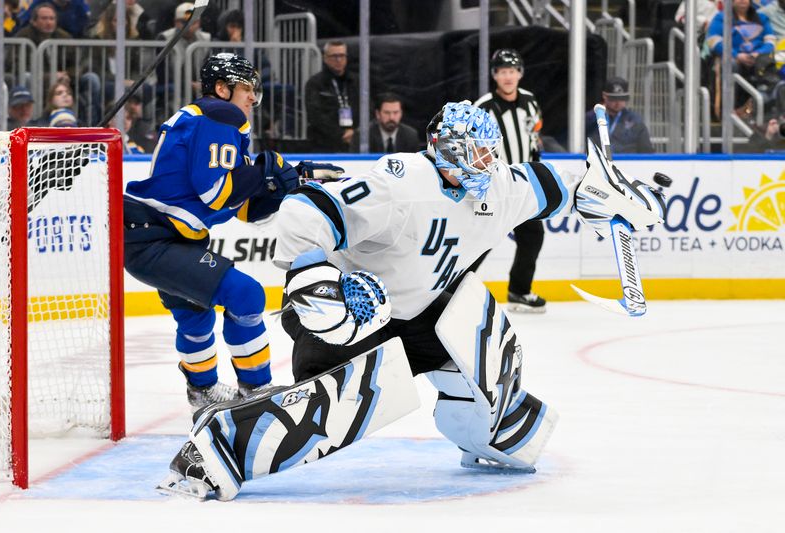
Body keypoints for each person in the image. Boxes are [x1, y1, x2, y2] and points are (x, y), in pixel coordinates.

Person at [159, 101, 667, 501]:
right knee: (355, 401)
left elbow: (551, 184)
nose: (488, 165)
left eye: (492, 153)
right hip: (351, 317)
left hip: (421, 314)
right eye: (477, 154)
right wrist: (315, 281)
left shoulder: (497, 189)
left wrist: (606, 192)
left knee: (476, 314)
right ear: (444, 149)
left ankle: (493, 428)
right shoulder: (399, 182)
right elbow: (302, 213)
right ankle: (215, 452)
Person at [123, 53, 301, 410]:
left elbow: (243, 207)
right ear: (222, 89)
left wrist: (287, 182)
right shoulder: (221, 116)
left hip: (155, 236)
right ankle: (255, 389)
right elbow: (216, 191)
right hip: (154, 238)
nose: (252, 97)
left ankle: (201, 390)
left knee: (195, 314)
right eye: (246, 88)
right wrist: (270, 167)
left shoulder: (211, 120)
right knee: (247, 296)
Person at [473, 48, 547, 313]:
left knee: (533, 235)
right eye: (502, 71)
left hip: (524, 184)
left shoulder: (529, 101)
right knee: (480, 242)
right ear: (495, 75)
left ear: (520, 74)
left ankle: (519, 290)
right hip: (493, 187)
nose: (508, 77)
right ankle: (450, 291)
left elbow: (534, 137)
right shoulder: (482, 107)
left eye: (512, 71)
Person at [305, 41, 358, 152]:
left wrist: (355, 132)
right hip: (324, 144)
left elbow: (367, 109)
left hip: (355, 141)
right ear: (325, 58)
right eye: (334, 56)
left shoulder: (356, 82)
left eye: (342, 55)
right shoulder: (315, 83)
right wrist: (341, 134)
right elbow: (315, 116)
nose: (338, 60)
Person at [585, 77, 654, 153]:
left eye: (622, 98)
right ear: (604, 96)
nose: (618, 102)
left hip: (626, 163)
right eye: (613, 98)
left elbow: (647, 151)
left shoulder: (635, 121)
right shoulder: (591, 118)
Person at [353, 92, 422, 153]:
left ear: (401, 113)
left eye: (396, 112)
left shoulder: (410, 135)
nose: (391, 117)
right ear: (378, 114)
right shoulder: (363, 135)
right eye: (387, 113)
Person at [20, 0, 90, 37]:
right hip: (38, 42)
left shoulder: (78, 4)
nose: (48, 22)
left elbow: (85, 26)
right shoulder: (39, 2)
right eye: (44, 18)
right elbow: (24, 22)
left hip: (68, 44)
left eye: (51, 18)